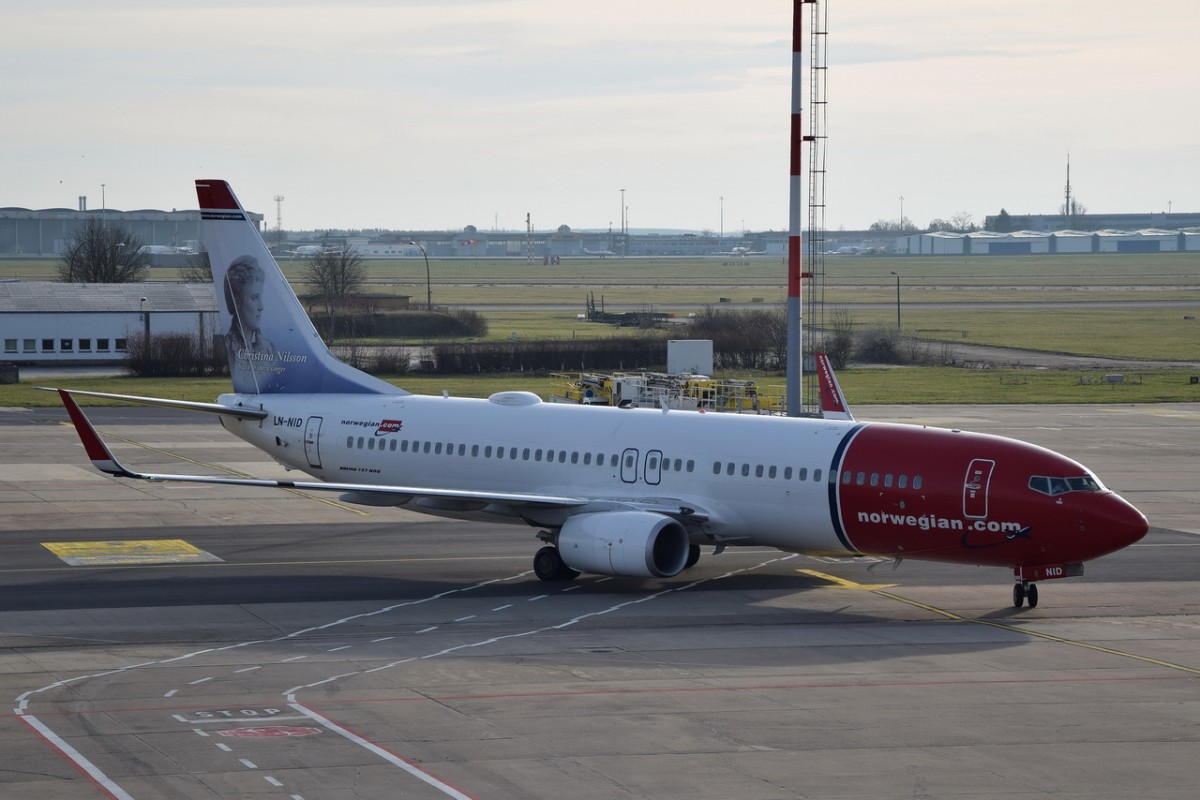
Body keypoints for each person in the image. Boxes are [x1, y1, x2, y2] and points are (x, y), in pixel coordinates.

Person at [223, 255, 279, 389]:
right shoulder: (229, 346)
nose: (261, 306)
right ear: (237, 301)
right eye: (254, 298)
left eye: (260, 297)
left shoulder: (270, 349)